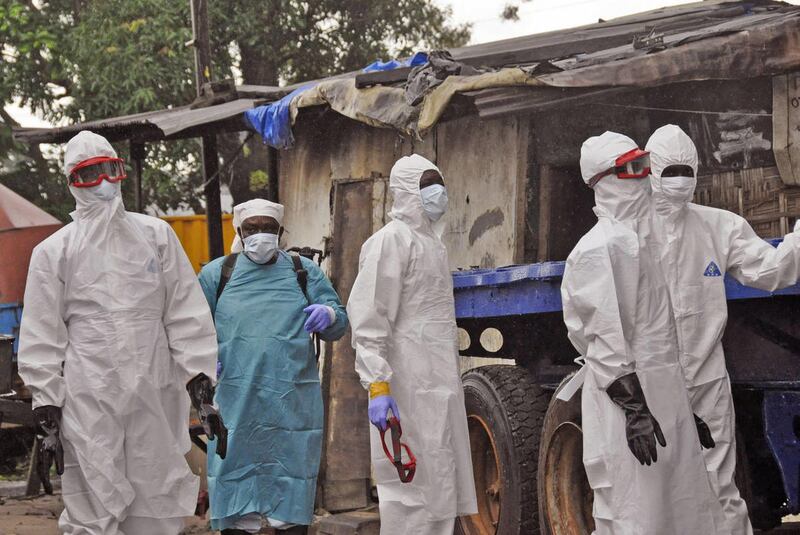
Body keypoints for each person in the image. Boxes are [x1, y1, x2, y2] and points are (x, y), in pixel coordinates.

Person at [17, 130, 223, 535]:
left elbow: (184, 313)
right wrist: (46, 399)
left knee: (156, 490)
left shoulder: (156, 236)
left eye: (110, 170)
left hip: (153, 387)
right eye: (91, 174)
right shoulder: (53, 251)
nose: (104, 183)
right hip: (90, 391)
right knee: (94, 491)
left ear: (121, 171)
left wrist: (199, 379)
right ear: (73, 182)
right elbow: (41, 332)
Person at [560, 131, 722, 533]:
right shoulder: (599, 249)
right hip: (629, 405)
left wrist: (683, 408)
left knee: (683, 510)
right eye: (633, 168)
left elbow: (660, 337)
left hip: (663, 397)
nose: (644, 176)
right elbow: (605, 340)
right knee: (636, 514)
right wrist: (635, 412)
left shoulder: (641, 242)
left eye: (645, 166)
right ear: (605, 179)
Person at [645, 124, 800, 535]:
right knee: (651, 488)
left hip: (704, 377)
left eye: (686, 171)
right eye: (669, 171)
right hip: (649, 381)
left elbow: (770, 271)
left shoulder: (719, 226)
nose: (679, 181)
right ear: (650, 171)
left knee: (717, 484)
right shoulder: (629, 231)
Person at [198, 199, 348, 535]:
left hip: (291, 403)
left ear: (280, 232)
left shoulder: (303, 271)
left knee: (290, 501)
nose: (261, 235)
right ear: (239, 231)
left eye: (269, 228)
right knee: (237, 498)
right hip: (235, 404)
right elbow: (189, 329)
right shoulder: (217, 275)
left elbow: (339, 323)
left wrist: (330, 315)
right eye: (253, 229)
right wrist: (202, 360)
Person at [347, 154, 478, 535]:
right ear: (406, 192)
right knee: (410, 495)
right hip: (405, 389)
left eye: (439, 182)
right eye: (426, 185)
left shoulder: (433, 246)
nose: (438, 192)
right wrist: (378, 386)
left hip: (439, 390)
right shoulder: (390, 241)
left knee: (440, 493)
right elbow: (370, 319)